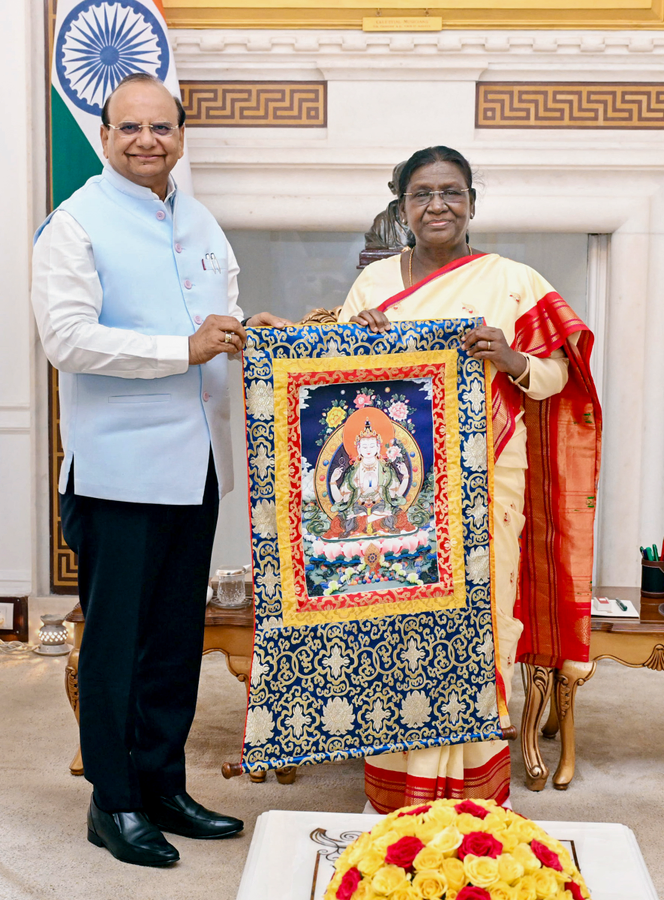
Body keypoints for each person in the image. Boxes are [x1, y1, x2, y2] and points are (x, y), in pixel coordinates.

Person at [31, 73, 291, 867]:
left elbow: (215, 317)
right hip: (119, 474)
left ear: (181, 134)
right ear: (105, 136)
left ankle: (162, 785)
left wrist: (249, 330)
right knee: (118, 646)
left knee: (176, 639)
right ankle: (113, 803)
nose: (147, 140)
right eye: (130, 128)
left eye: (162, 127)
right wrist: (183, 349)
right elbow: (66, 339)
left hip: (199, 466)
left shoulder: (200, 219)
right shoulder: (73, 224)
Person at [338, 146, 601, 812]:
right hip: (400, 493)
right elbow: (336, 390)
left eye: (451, 192)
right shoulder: (373, 285)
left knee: (483, 626)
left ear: (472, 203)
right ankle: (395, 793)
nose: (438, 205)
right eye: (422, 194)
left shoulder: (512, 282)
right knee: (397, 626)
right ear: (403, 208)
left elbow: (559, 375)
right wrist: (358, 339)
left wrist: (512, 357)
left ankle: (475, 792)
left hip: (489, 486)